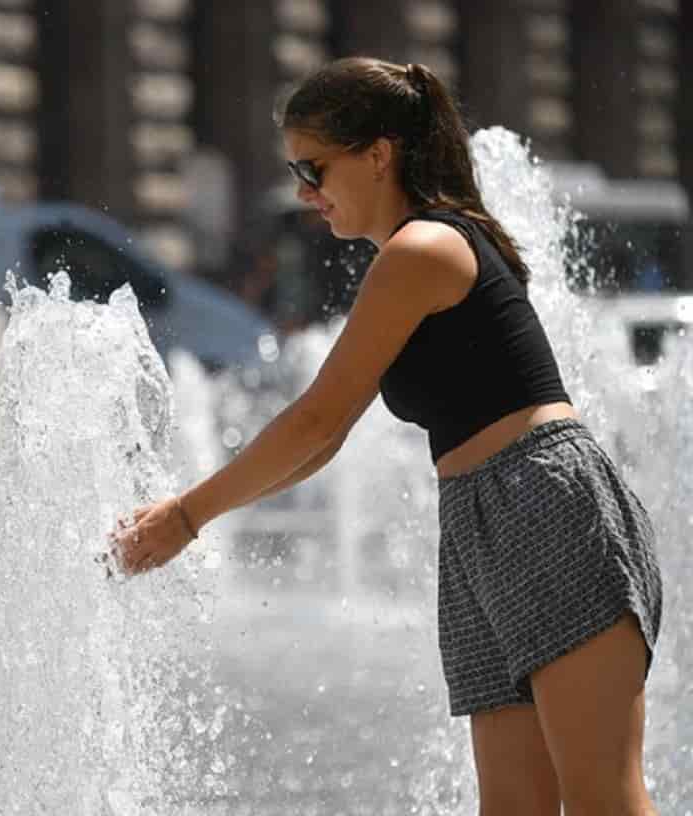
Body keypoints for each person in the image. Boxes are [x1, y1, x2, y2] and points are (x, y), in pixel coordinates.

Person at [113, 57, 663, 816]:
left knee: (603, 799)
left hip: (543, 503)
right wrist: (197, 517)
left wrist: (186, 517)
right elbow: (326, 442)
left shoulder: (423, 250)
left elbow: (316, 417)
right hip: (482, 517)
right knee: (513, 805)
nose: (306, 193)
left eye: (314, 168)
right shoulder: (407, 256)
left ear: (378, 155)